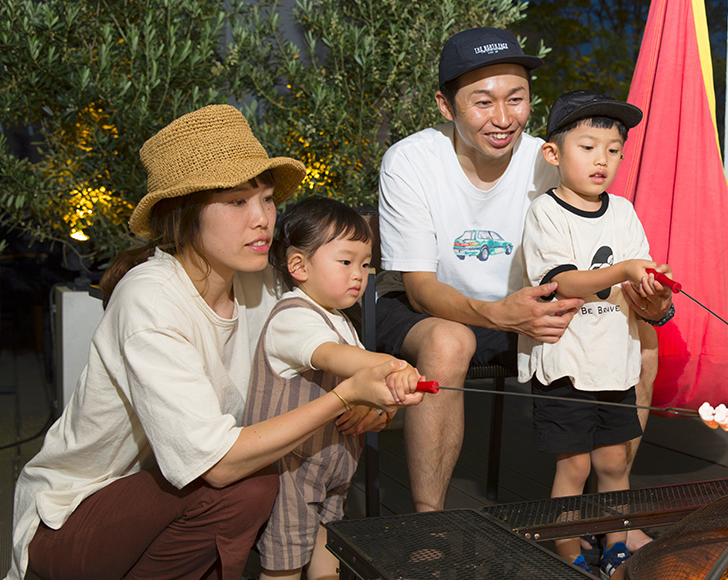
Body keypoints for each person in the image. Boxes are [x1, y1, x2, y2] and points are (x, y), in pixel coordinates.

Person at [3, 104, 419, 580]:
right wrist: (344, 396)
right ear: (185, 216)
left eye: (266, 199)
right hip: (71, 521)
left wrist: (374, 403)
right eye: (237, 202)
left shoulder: (260, 287)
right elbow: (216, 466)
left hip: (167, 499)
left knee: (253, 481)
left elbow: (324, 354)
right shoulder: (151, 299)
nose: (262, 218)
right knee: (246, 485)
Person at [377, 27, 666, 553]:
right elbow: (419, 288)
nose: (503, 117)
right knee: (450, 342)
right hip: (432, 309)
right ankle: (429, 523)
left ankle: (611, 510)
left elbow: (598, 241)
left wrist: (649, 300)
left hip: (532, 311)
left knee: (641, 337)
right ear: (446, 104)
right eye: (482, 102)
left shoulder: (551, 156)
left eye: (516, 99)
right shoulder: (411, 162)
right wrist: (497, 314)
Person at [516, 90, 674, 578]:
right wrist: (624, 268)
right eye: (587, 147)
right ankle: (567, 550)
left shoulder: (623, 211)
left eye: (613, 149)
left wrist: (651, 283)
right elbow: (563, 281)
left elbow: (637, 281)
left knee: (614, 462)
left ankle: (616, 543)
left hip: (613, 362)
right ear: (553, 154)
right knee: (575, 468)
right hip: (566, 363)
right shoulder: (546, 213)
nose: (602, 159)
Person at [246, 197, 424, 580]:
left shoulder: (342, 321)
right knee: (285, 565)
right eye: (345, 262)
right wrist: (397, 367)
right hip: (289, 473)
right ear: (299, 266)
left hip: (333, 469)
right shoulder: (293, 316)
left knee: (329, 550)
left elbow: (366, 392)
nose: (359, 275)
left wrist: (379, 409)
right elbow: (334, 358)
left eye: (365, 264)